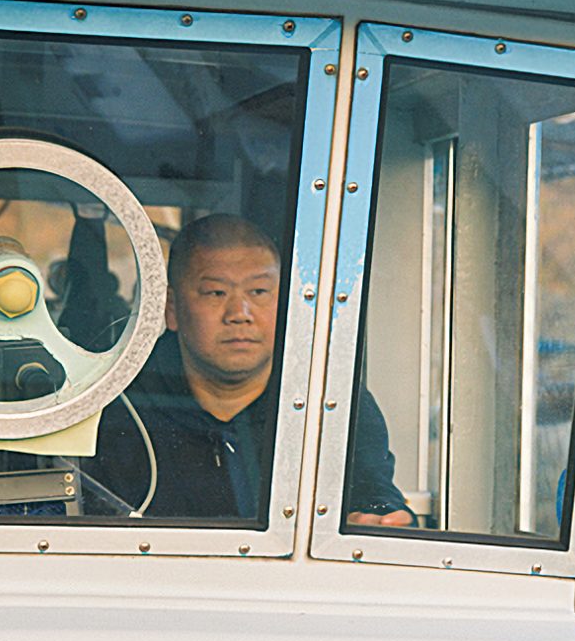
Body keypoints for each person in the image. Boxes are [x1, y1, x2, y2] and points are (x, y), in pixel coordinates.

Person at [88, 213, 413, 526]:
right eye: (216, 292)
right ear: (171, 308)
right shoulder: (120, 402)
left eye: (258, 292)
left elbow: (375, 497)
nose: (240, 314)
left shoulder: (329, 397)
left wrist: (380, 519)